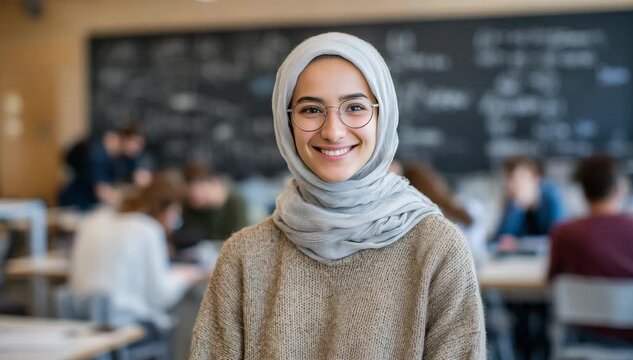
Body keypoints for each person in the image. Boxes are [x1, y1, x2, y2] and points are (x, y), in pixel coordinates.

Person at [190, 32, 485, 359]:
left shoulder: (436, 248)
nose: (333, 131)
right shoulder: (243, 257)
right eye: (311, 110)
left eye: (355, 107)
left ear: (382, 116)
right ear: (286, 122)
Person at [70, 172, 204, 336]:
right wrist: (185, 276)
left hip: (81, 321)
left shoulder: (94, 219)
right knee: (191, 310)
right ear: (168, 208)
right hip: (123, 323)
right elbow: (159, 296)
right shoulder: (148, 229)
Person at [548, 154, 633, 344]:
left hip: (584, 337)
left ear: (582, 192)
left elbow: (552, 280)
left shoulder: (563, 233)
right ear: (619, 190)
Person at [59, 123, 151, 210]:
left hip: (95, 204)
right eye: (137, 143)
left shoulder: (126, 156)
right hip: (79, 204)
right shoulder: (98, 154)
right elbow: (102, 191)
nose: (138, 149)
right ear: (124, 139)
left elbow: (140, 175)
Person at [492, 156, 564, 253]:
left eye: (522, 177)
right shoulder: (512, 203)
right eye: (510, 178)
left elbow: (559, 235)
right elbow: (500, 239)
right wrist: (517, 207)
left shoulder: (551, 195)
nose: (516, 183)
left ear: (536, 178)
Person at [171, 162, 249, 251]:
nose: (196, 198)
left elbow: (240, 242)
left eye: (201, 191)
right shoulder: (191, 205)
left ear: (214, 182)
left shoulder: (236, 202)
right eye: (191, 196)